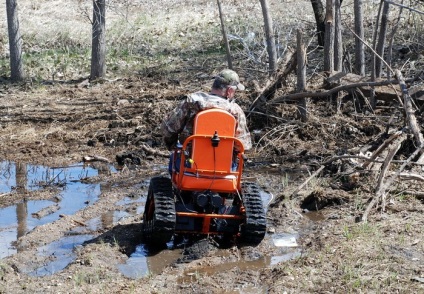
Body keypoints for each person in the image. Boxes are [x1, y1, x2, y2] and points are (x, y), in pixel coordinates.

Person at [162, 69, 252, 173]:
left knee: (175, 155)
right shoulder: (236, 111)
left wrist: (172, 145)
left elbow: (168, 129)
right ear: (229, 91)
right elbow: (243, 145)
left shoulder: (191, 103)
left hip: (189, 166)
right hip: (224, 168)